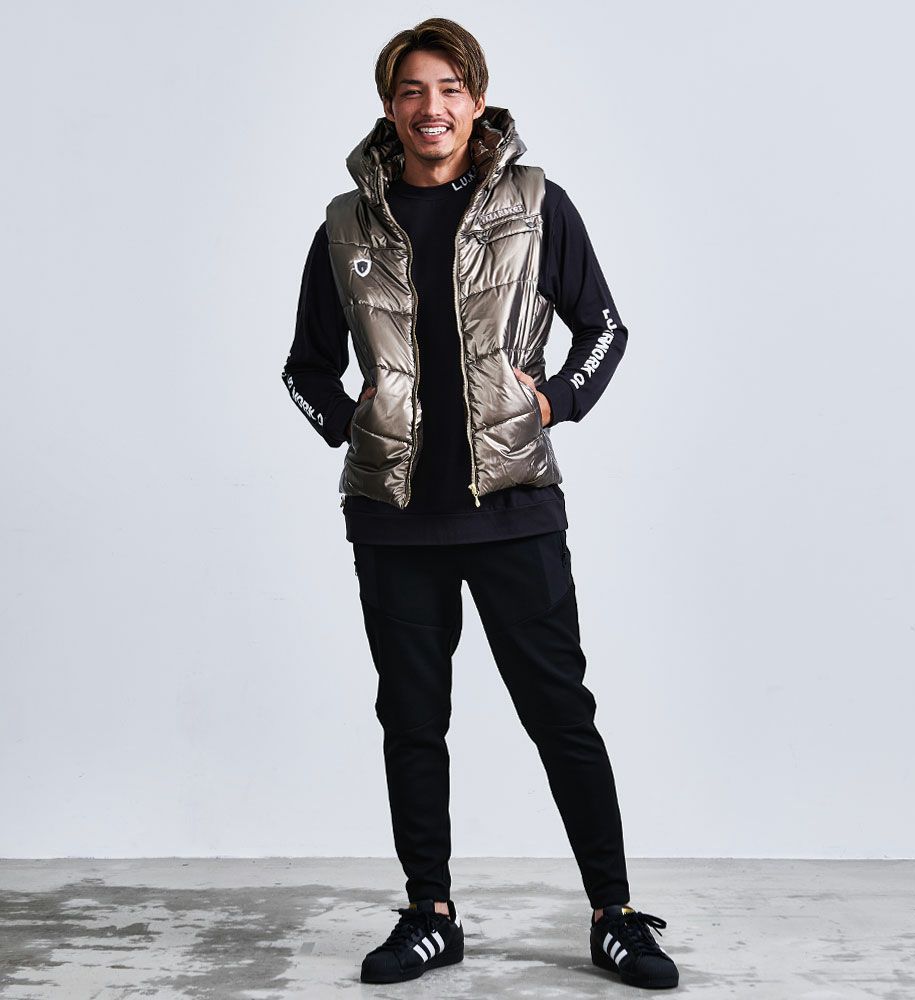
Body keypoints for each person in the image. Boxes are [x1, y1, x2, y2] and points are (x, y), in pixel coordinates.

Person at [280, 16, 679, 991]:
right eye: (412, 90)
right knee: (413, 721)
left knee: (561, 715)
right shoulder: (346, 225)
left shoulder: (536, 204)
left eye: (450, 88)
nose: (432, 107)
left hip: (513, 510)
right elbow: (303, 367)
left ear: (477, 99)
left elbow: (605, 327)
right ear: (389, 106)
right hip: (394, 521)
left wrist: (556, 401)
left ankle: (614, 913)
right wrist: (351, 421)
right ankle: (431, 914)